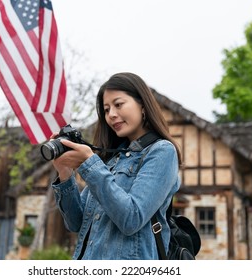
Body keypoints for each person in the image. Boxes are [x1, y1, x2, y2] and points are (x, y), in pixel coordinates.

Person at [50, 72, 182, 259]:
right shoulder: (111, 159)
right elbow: (76, 223)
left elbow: (131, 218)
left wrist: (90, 164)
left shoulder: (162, 152)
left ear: (143, 105)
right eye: (106, 110)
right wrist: (64, 173)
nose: (111, 115)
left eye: (118, 105)